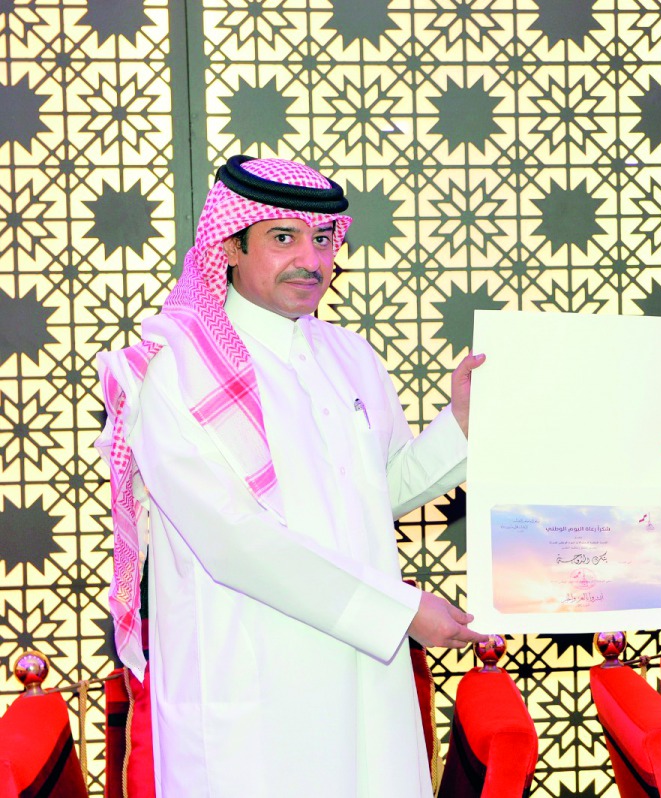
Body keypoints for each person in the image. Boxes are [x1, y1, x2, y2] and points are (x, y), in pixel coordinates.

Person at [95, 155, 488, 796]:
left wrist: (462, 426)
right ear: (228, 245)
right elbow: (234, 542)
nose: (311, 258)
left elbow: (379, 491)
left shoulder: (350, 355)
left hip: (365, 669)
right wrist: (401, 610)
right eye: (284, 237)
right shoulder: (173, 366)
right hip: (252, 681)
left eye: (324, 239)